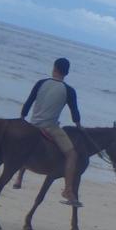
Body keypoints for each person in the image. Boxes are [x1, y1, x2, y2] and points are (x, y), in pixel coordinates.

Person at [19, 57, 83, 205]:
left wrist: (22, 118)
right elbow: (75, 115)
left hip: (32, 124)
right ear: (67, 73)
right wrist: (79, 127)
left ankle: (19, 177)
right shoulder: (68, 90)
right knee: (72, 154)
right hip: (50, 127)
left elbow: (28, 103)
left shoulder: (41, 83)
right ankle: (67, 190)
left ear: (54, 68)